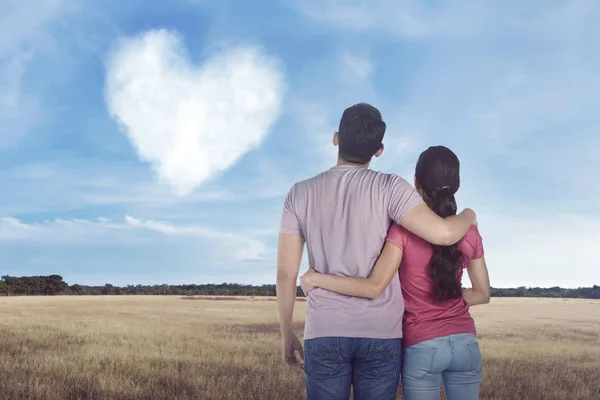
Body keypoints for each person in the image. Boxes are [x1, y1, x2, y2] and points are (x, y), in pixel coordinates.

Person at [276, 103, 478, 400]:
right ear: (379, 150)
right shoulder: (391, 188)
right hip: (381, 334)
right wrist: (470, 215)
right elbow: (445, 234)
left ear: (336, 138)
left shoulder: (299, 193)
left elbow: (285, 273)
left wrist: (286, 333)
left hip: (324, 328)